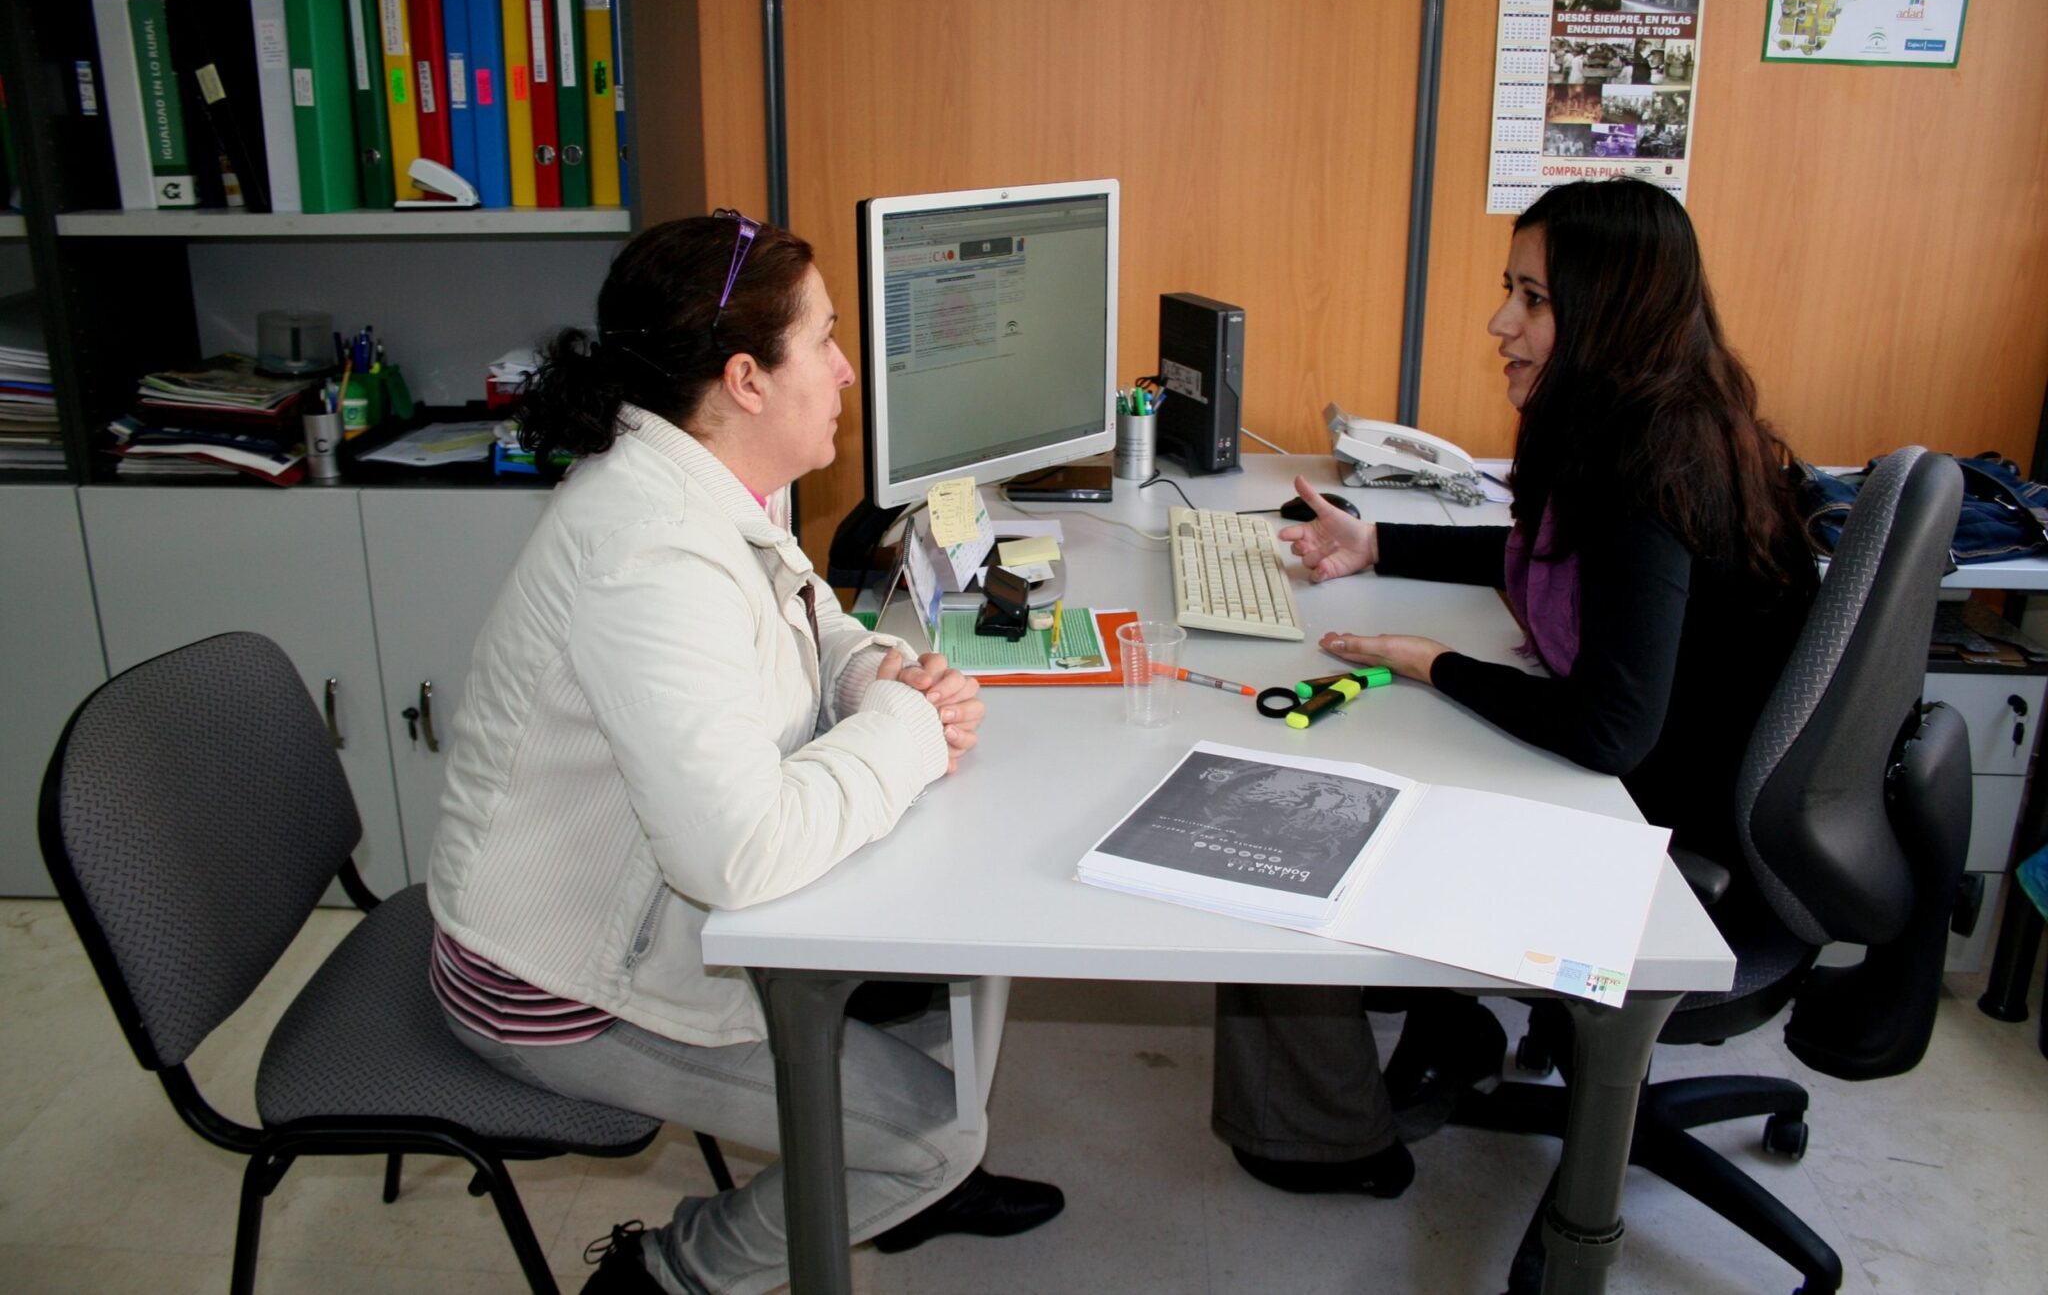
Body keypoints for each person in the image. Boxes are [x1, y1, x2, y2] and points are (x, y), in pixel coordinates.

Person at [427, 214, 1062, 1295]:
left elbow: (813, 622)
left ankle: (872, 1177)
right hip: (561, 981)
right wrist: (909, 729)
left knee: (917, 994)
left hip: (634, 921)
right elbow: (738, 852)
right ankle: (667, 1271)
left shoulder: (705, 474)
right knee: (937, 1138)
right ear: (745, 378)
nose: (846, 368)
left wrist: (878, 679)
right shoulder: (649, 553)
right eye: (821, 339)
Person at [1212, 178, 1819, 1198]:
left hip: (1669, 855)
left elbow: (1608, 729)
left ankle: (1326, 1138)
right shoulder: (1664, 416)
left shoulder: (1645, 461)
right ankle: (1441, 1023)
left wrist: (1426, 661)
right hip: (1686, 798)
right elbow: (1555, 555)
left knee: (1286, 813)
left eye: (1531, 298)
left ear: (1608, 312)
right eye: (1510, 289)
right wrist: (1376, 541)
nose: (1500, 321)